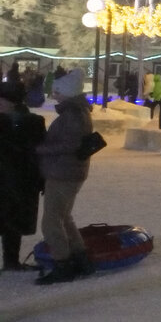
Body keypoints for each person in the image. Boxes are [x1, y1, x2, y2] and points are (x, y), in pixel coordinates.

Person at [34, 69, 94, 285]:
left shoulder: (72, 114)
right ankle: (80, 258)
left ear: (67, 92)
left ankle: (63, 263)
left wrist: (40, 149)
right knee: (64, 217)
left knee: (51, 221)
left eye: (57, 91)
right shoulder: (76, 111)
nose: (54, 94)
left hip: (63, 172)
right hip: (69, 171)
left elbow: (70, 144)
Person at [0, 74, 46, 272]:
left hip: (20, 180)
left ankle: (11, 261)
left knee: (12, 222)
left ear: (11, 102)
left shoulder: (33, 122)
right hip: (8, 179)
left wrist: (41, 179)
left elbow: (40, 152)